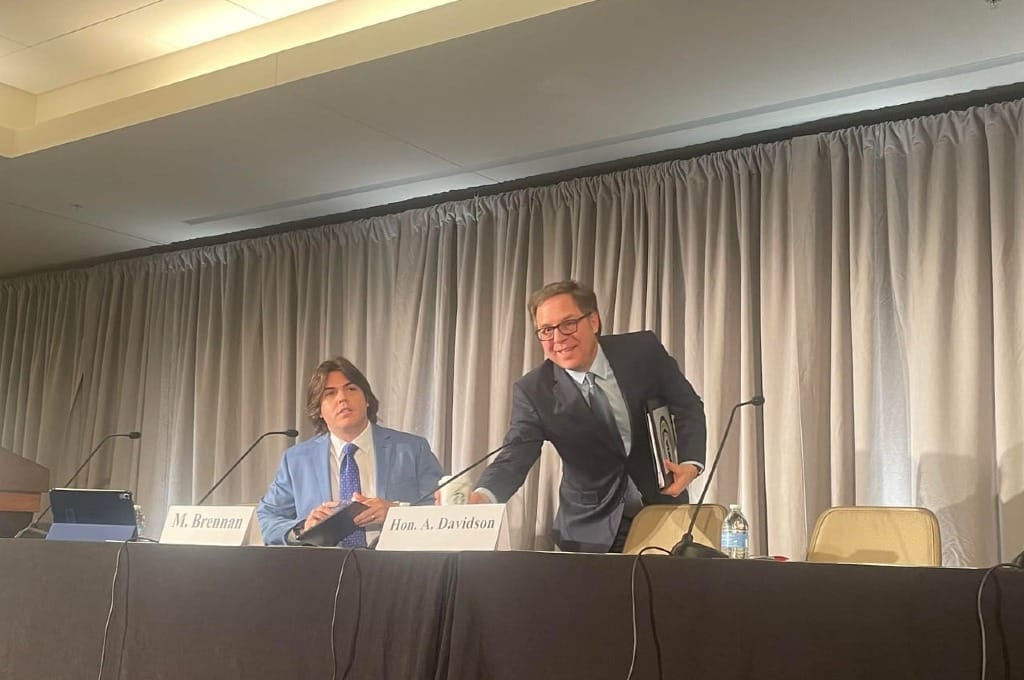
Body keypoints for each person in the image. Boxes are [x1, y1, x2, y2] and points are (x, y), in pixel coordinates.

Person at [472, 280, 707, 553]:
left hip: (662, 511)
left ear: (593, 321)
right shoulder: (534, 390)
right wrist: (484, 496)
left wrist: (690, 463)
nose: (558, 338)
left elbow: (688, 406)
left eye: (568, 324)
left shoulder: (642, 352)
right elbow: (515, 456)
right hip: (589, 529)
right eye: (546, 330)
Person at [257, 357, 442, 546]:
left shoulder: (412, 449)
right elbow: (267, 518)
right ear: (318, 410)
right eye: (330, 393)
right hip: (323, 563)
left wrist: (397, 513)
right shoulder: (296, 460)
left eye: (351, 389)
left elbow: (443, 509)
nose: (342, 398)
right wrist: (304, 528)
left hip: (394, 560)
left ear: (367, 399)